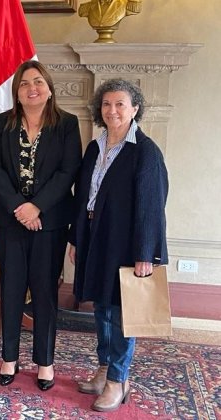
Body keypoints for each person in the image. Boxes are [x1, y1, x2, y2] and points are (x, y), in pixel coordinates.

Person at [68, 79, 168, 412]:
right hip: (95, 235)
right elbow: (82, 196)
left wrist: (145, 253)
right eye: (107, 104)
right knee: (101, 307)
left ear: (135, 108)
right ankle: (103, 369)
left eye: (120, 104)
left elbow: (151, 205)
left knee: (121, 312)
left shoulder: (145, 151)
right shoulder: (94, 147)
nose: (112, 110)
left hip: (125, 242)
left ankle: (118, 379)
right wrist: (76, 238)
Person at [0, 60, 81, 390]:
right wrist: (19, 207)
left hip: (49, 221)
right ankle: (9, 358)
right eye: (24, 83)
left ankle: (45, 362)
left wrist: (36, 206)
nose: (32, 88)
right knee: (11, 288)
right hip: (9, 219)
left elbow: (68, 171)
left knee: (44, 291)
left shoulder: (67, 124)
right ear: (17, 92)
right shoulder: (2, 122)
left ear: (49, 89)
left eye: (38, 82)